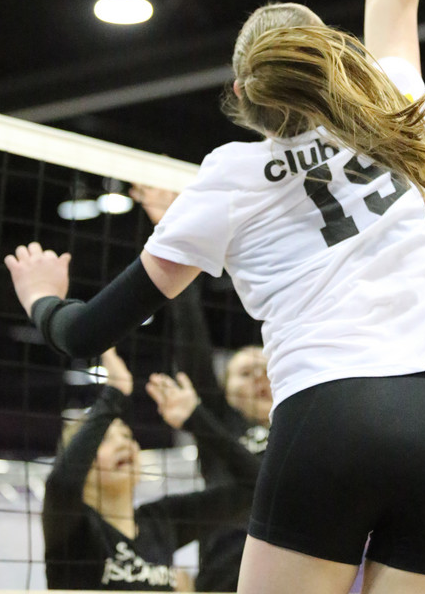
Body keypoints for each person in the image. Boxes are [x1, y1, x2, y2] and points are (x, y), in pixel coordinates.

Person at [7, 0, 425, 594]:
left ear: (243, 93)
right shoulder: (392, 107)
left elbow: (89, 331)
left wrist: (42, 299)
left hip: (332, 416)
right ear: (331, 62)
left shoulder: (229, 177)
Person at [134, 184, 271, 591]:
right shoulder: (220, 421)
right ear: (224, 391)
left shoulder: (305, 426)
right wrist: (174, 231)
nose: (260, 377)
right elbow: (191, 338)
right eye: (245, 373)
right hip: (225, 577)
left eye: (265, 370)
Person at [42, 347, 258, 591]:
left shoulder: (161, 521)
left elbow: (255, 488)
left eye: (127, 435)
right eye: (105, 439)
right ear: (82, 458)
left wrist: (197, 418)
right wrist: (114, 393)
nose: (123, 443)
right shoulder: (74, 531)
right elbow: (61, 484)